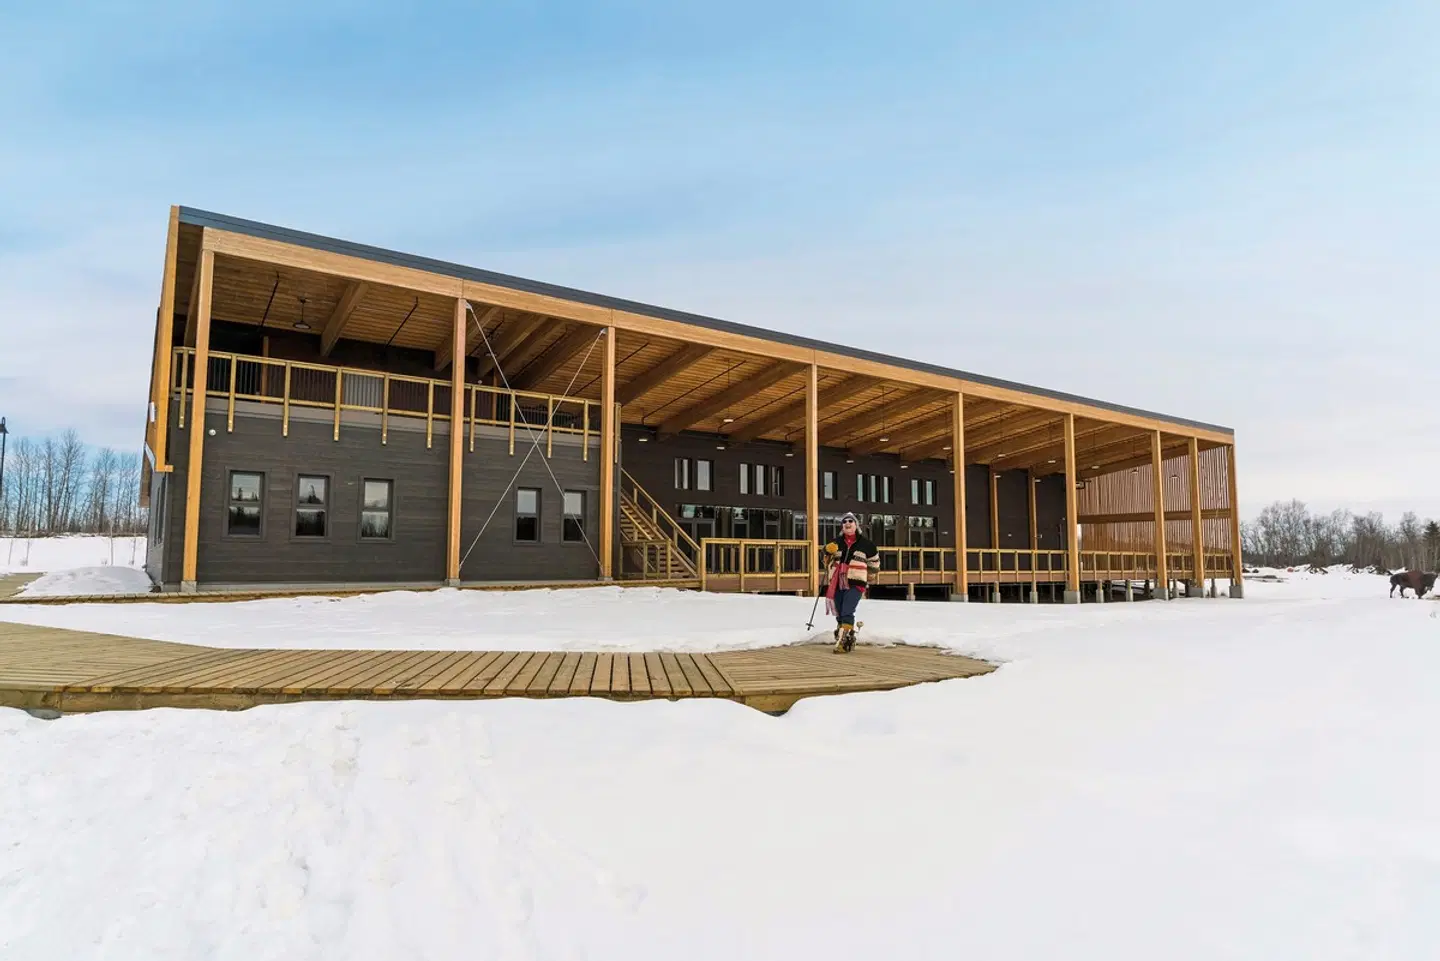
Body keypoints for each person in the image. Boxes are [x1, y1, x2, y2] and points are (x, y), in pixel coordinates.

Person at [822, 512, 877, 652]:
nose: (847, 523)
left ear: (856, 525)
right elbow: (826, 560)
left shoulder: (867, 544)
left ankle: (844, 642)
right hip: (837, 581)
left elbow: (874, 564)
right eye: (844, 522)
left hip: (856, 582)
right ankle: (844, 635)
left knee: (847, 610)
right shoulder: (836, 542)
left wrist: (868, 577)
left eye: (850, 521)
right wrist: (827, 551)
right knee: (840, 611)